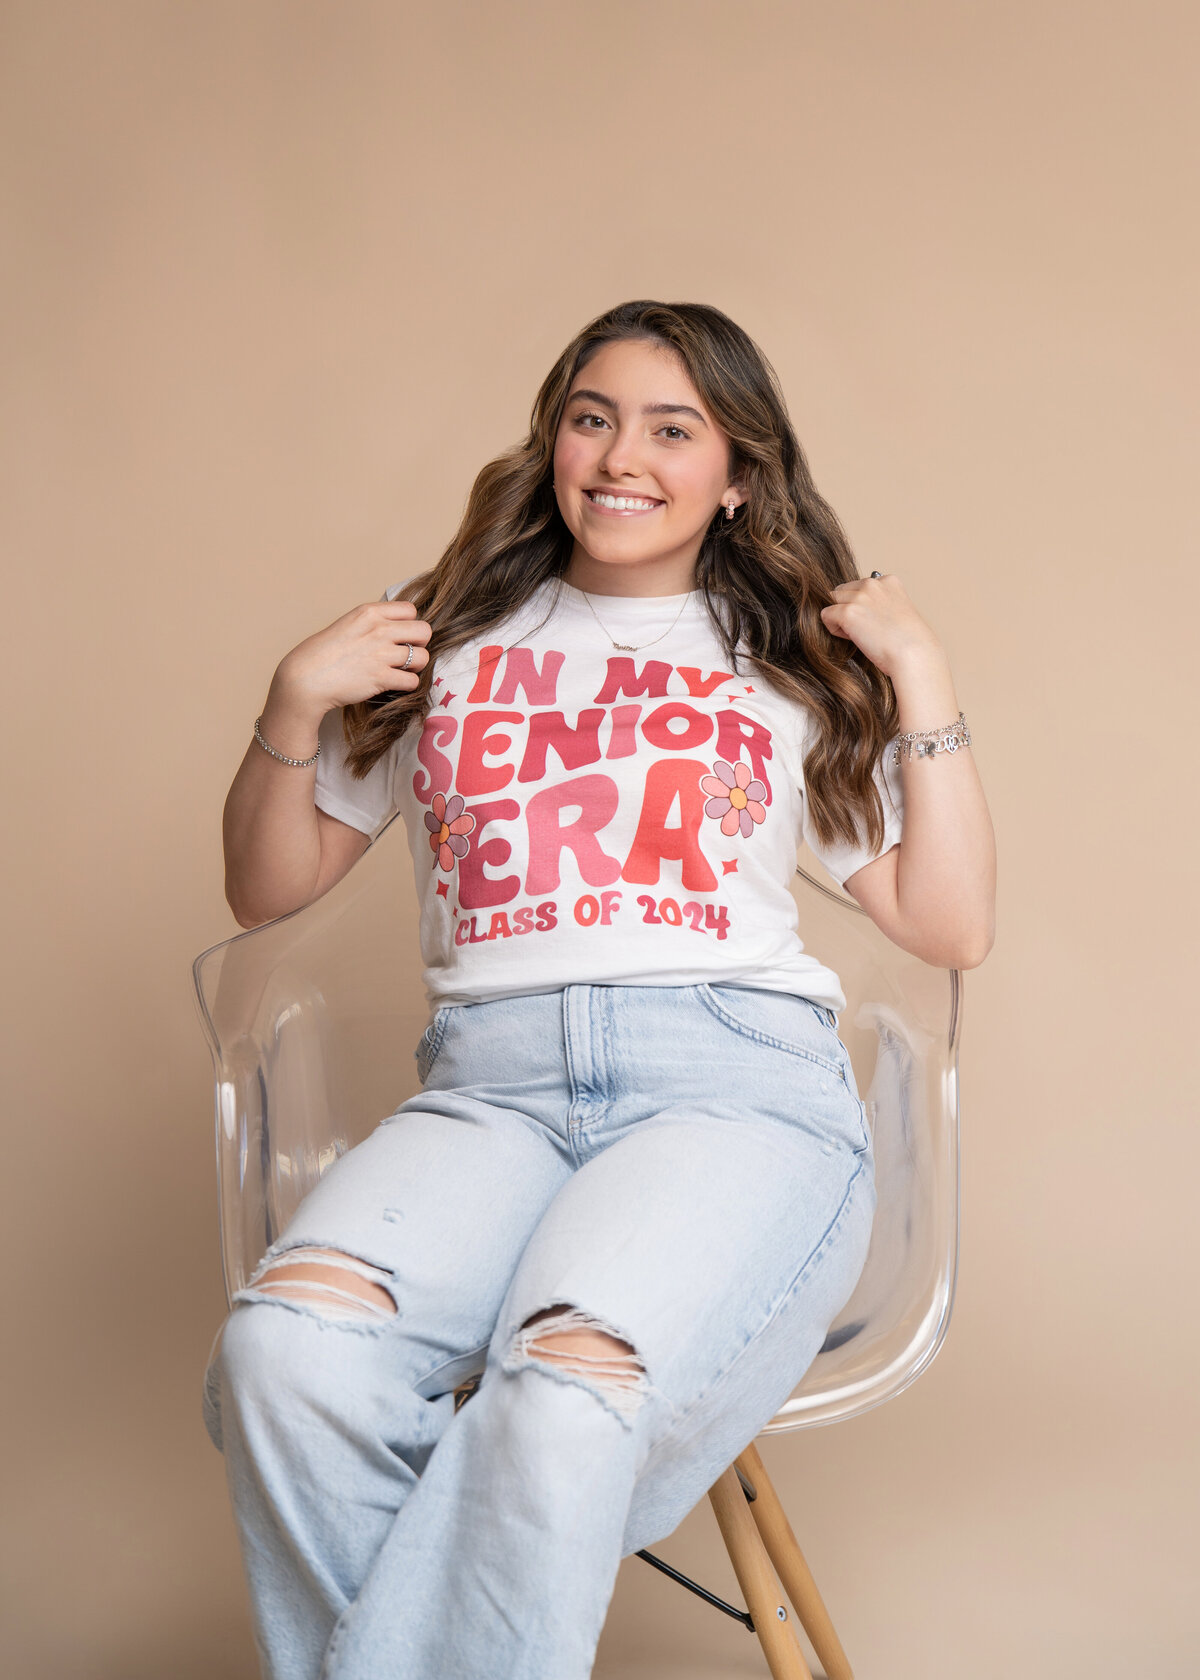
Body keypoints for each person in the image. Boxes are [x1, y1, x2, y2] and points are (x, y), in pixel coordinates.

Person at [204, 299, 995, 1680]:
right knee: (287, 1358)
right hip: (490, 1098)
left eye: (672, 429)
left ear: (737, 475)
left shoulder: (788, 661)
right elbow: (266, 890)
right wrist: (289, 706)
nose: (621, 456)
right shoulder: (446, 638)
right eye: (593, 417)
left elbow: (951, 923)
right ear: (553, 440)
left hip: (734, 1094)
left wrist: (920, 675)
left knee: (567, 1395)